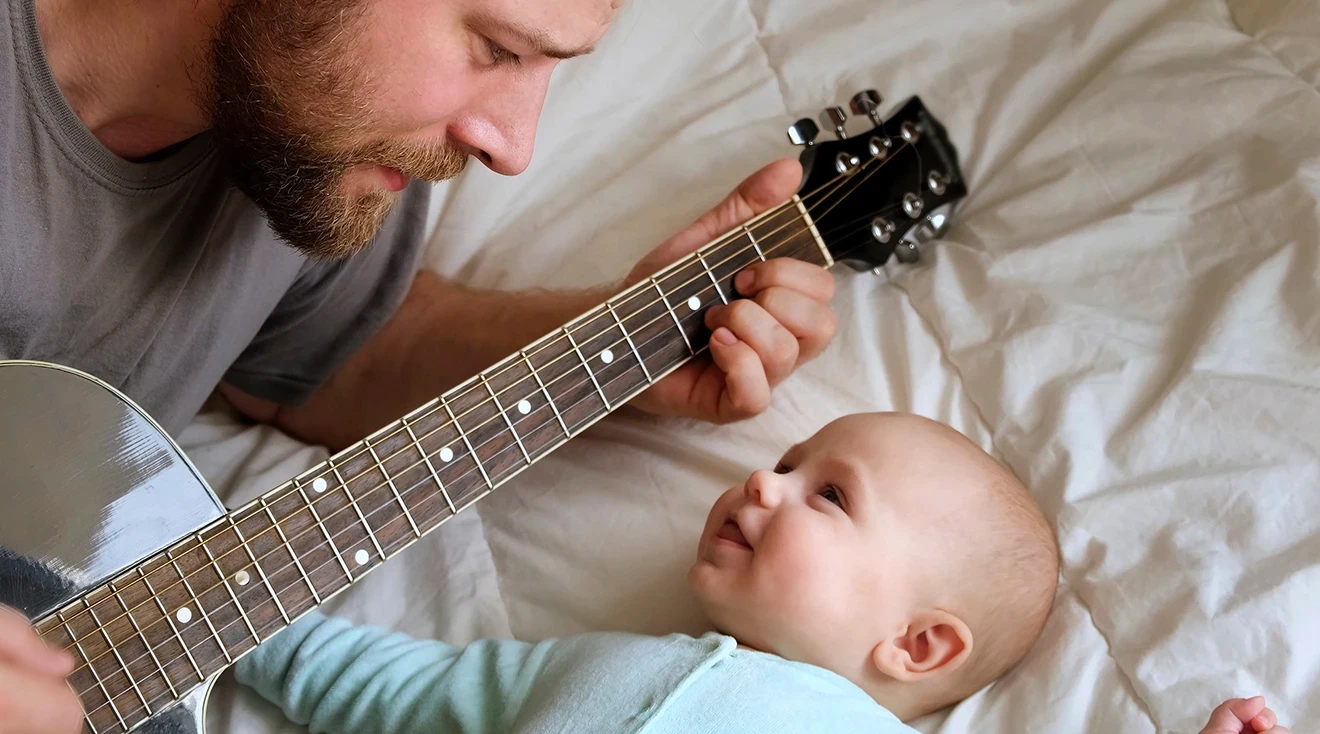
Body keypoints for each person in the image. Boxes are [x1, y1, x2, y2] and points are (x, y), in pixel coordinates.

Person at [0, 0, 839, 729]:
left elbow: (338, 361)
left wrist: (615, 347)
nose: (513, 146)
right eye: (499, 49)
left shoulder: (308, 132)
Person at [229, 412, 1063, 732]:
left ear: (915, 646)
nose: (763, 482)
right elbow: (402, 690)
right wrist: (238, 620)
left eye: (832, 495)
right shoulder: (582, 664)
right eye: (785, 461)